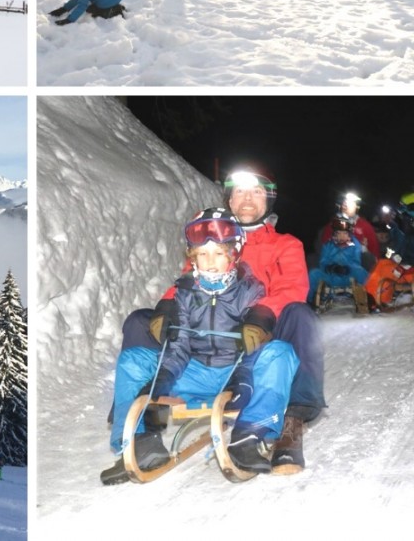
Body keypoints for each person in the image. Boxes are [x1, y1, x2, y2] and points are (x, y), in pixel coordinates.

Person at [100, 207, 300, 484]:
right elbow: (179, 347)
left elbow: (252, 349)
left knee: (280, 353)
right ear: (192, 257)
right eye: (203, 254)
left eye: (218, 253)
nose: (210, 262)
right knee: (134, 360)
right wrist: (161, 380)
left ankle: (251, 435)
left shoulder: (251, 291)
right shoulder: (184, 292)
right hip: (192, 373)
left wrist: (241, 379)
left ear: (233, 254)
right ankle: (138, 442)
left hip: (235, 375)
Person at [222, 166, 325, 473]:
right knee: (144, 320)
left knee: (301, 315)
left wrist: (261, 313)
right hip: (222, 328)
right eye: (240, 191)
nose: (248, 199)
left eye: (256, 192)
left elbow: (293, 288)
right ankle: (144, 426)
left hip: (270, 326)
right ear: (229, 201)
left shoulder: (286, 244)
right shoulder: (213, 243)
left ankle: (291, 423)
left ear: (267, 202)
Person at [309, 215, 370, 313]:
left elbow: (356, 261)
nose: (341, 236)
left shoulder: (355, 245)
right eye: (339, 233)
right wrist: (331, 267)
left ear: (349, 234)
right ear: (334, 234)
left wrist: (347, 268)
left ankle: (369, 300)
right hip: (331, 276)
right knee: (313, 273)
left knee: (362, 272)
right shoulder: (328, 245)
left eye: (344, 233)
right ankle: (309, 301)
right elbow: (323, 262)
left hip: (348, 276)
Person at [319, 191, 380, 261]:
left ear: (357, 207)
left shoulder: (365, 226)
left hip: (357, 266)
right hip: (334, 264)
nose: (345, 204)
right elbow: (323, 248)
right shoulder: (332, 225)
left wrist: (364, 250)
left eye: (350, 202)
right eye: (344, 202)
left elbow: (375, 252)